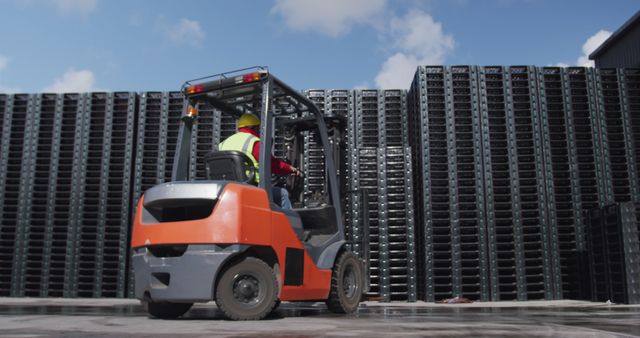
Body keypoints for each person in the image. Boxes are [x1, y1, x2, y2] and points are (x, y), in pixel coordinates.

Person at [218, 113, 302, 209]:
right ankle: (289, 223)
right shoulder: (253, 142)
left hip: (227, 189)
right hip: (250, 188)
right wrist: (291, 169)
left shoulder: (223, 143)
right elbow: (272, 165)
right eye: (258, 128)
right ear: (253, 127)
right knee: (283, 194)